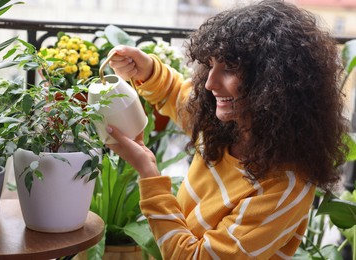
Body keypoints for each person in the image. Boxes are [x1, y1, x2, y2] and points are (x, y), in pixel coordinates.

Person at [105, 0, 349, 258]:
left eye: (230, 68)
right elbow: (177, 94)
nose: (210, 83)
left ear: (275, 81)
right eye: (211, 65)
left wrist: (149, 173)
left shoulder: (284, 187)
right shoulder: (227, 122)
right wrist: (148, 69)